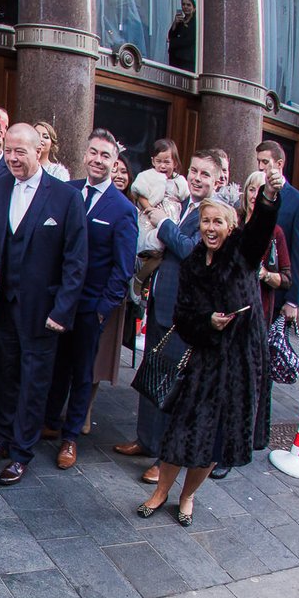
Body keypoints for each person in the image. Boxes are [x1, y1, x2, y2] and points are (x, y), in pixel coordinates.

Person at [139, 172, 283, 525]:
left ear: (231, 226)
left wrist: (267, 196)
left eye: (218, 221)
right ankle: (160, 493)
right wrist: (208, 322)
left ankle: (187, 497)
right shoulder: (191, 263)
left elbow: (260, 230)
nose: (210, 228)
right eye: (205, 221)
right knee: (182, 430)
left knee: (215, 441)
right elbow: (183, 316)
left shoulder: (241, 253)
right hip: (202, 357)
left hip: (238, 363)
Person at [0, 123, 88, 486]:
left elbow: (76, 258)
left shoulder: (66, 197)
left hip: (43, 307)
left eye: (20, 151)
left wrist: (62, 310)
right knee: (5, 372)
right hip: (4, 302)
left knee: (34, 380)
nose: (12, 158)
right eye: (8, 151)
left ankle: (22, 451)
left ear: (39, 150)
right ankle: (4, 439)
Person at [116, 151, 219, 482]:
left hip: (184, 313)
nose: (197, 177)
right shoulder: (182, 203)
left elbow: (190, 250)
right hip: (161, 303)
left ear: (217, 181)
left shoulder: (211, 213)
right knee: (153, 370)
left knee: (172, 383)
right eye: (194, 170)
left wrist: (162, 222)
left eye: (205, 173)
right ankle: (146, 441)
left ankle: (164, 458)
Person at [44, 131, 138, 470]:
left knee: (82, 372)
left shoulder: (123, 209)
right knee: (56, 365)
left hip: (90, 307)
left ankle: (70, 437)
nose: (98, 160)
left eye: (105, 156)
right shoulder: (68, 191)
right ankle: (50, 420)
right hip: (58, 302)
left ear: (115, 163)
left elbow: (123, 267)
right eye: (93, 153)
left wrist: (101, 311)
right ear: (85, 155)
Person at [241, 171, 291, 463]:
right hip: (229, 312)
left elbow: (287, 277)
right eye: (250, 189)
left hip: (258, 315)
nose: (253, 195)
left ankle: (242, 442)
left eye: (259, 191)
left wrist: (266, 275)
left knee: (250, 381)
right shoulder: (232, 220)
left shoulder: (275, 233)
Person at [255, 141, 299, 326]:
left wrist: (292, 300)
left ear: (279, 164)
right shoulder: (254, 191)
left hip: (275, 292)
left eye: (265, 162)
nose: (260, 167)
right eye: (258, 162)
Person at [166, 0, 197, 71]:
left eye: (188, 5)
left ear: (194, 8)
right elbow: (170, 35)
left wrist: (172, 42)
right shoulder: (181, 21)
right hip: (175, 59)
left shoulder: (195, 22)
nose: (185, 7)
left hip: (186, 61)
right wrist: (175, 23)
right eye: (183, 4)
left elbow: (188, 40)